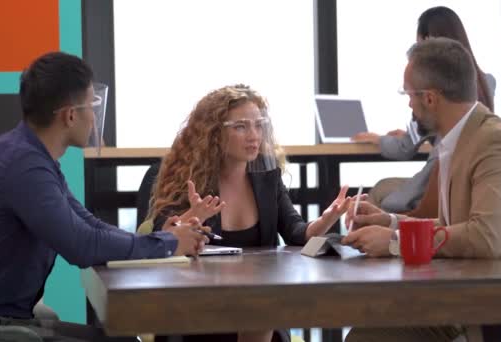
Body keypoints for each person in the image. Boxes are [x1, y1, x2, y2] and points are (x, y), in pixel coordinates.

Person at [0, 52, 210, 342]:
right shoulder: (24, 164)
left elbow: (88, 224)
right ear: (70, 115)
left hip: (6, 318)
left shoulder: (28, 154)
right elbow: (82, 245)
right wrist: (168, 243)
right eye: (91, 106)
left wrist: (163, 240)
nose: (94, 118)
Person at [342, 37, 501, 342]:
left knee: (369, 337)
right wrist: (389, 222)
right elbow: (452, 228)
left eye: (408, 94)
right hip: (466, 298)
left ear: (429, 98)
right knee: (365, 333)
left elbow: (485, 237)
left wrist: (394, 242)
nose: (408, 104)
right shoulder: (455, 141)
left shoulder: (495, 142)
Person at [147, 84, 351, 342]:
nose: (254, 135)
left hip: (258, 308)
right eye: (241, 126)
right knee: (258, 316)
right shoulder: (189, 181)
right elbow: (158, 239)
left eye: (259, 125)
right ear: (214, 134)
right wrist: (188, 220)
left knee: (261, 313)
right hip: (200, 313)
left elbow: (296, 233)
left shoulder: (267, 179)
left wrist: (328, 218)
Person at [351, 6, 497, 218]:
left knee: (381, 191)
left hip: (436, 181)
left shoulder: (429, 90)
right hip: (454, 180)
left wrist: (378, 139)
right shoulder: (485, 82)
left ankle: (370, 240)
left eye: (419, 45)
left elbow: (404, 148)